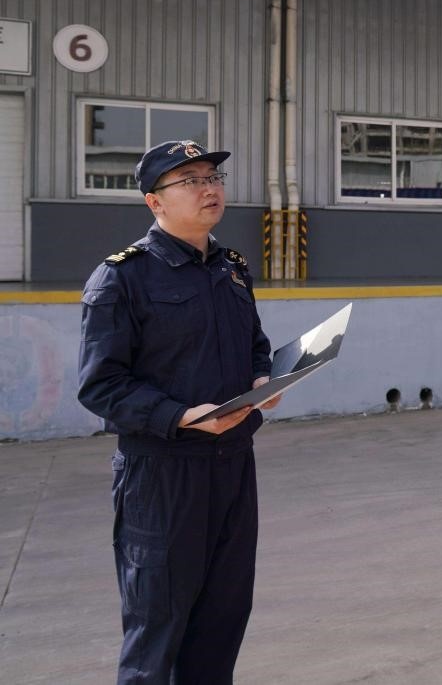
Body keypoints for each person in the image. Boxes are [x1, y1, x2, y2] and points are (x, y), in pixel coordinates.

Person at [79, 139, 279, 684]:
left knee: (221, 623)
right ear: (154, 202)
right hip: (163, 476)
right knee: (157, 633)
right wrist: (183, 416)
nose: (209, 189)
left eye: (213, 178)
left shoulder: (232, 268)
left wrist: (263, 379)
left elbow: (254, 345)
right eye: (190, 181)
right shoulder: (122, 278)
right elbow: (101, 387)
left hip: (234, 465)